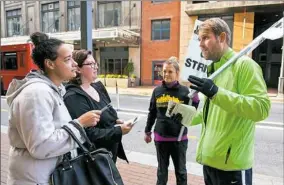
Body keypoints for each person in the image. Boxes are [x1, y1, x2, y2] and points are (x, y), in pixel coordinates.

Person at [5, 32, 101, 185]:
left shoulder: (53, 90)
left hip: (45, 175)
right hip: (35, 178)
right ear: (50, 64)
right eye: (68, 59)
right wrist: (80, 124)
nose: (75, 64)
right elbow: (41, 146)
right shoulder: (37, 93)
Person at [186, 18, 271, 185]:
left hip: (233, 169)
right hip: (210, 163)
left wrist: (216, 93)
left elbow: (261, 109)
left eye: (205, 38)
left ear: (222, 37)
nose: (200, 44)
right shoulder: (214, 70)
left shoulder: (244, 65)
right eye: (199, 39)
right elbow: (210, 114)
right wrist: (183, 117)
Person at [64, 49, 133, 163]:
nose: (95, 67)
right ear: (78, 68)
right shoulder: (73, 96)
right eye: (91, 64)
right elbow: (88, 134)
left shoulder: (98, 87)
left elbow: (110, 112)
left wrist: (116, 120)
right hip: (93, 158)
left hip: (109, 152)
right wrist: (118, 131)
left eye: (95, 63)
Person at [144, 56, 199, 185]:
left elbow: (191, 111)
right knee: (162, 173)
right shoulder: (157, 91)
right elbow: (152, 113)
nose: (166, 74)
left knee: (181, 172)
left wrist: (195, 99)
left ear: (177, 73)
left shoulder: (185, 92)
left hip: (179, 140)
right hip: (160, 139)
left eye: (170, 71)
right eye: (164, 71)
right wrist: (147, 132)